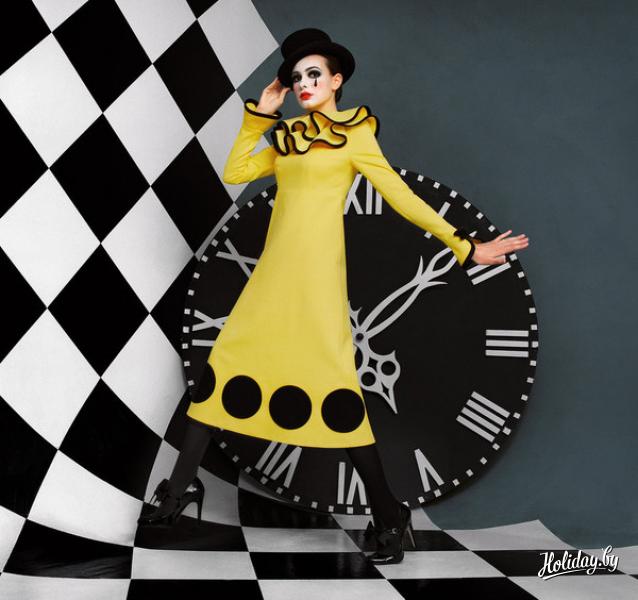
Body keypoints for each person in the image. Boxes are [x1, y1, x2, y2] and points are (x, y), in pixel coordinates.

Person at [138, 28, 529, 565]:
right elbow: (236, 171)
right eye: (296, 77)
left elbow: (401, 196)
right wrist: (261, 115)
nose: (304, 84)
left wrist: (466, 246)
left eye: (314, 74)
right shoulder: (288, 136)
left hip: (317, 282)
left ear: (337, 79)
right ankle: (181, 488)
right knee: (220, 372)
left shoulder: (356, 135)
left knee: (336, 395)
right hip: (269, 281)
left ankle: (388, 512)